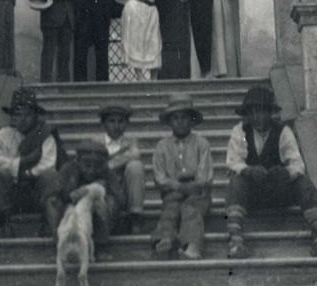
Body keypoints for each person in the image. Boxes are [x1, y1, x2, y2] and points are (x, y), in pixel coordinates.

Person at [225, 84, 317, 259]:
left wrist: (286, 173)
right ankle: (236, 241)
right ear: (247, 114)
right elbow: (233, 161)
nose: (258, 117)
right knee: (235, 181)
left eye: (262, 111)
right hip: (253, 195)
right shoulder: (240, 131)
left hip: (278, 192)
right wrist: (248, 170)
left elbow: (297, 164)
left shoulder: (283, 131)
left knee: (303, 182)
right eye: (253, 112)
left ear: (270, 112)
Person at [0, 87, 64, 237]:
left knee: (50, 176)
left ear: (36, 116)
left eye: (28, 115)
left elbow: (47, 164)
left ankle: (48, 224)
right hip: (13, 195)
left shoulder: (44, 134)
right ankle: (4, 225)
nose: (23, 119)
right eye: (18, 114)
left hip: (38, 193)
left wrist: (26, 173)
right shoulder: (4, 135)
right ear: (12, 116)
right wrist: (23, 162)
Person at [151, 94, 213, 261]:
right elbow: (159, 177)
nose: (179, 122)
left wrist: (194, 185)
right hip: (173, 191)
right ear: (170, 122)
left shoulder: (201, 143)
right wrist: (177, 186)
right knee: (170, 209)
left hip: (197, 192)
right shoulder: (162, 146)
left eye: (184, 118)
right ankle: (165, 239)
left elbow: (204, 174)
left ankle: (192, 246)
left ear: (191, 120)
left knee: (190, 209)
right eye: (175, 118)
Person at [50, 136, 124, 245]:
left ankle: (100, 244)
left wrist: (103, 190)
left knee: (109, 202)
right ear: (78, 160)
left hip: (96, 218)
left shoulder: (107, 173)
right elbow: (56, 193)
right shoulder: (68, 169)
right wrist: (75, 193)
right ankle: (59, 244)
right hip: (71, 214)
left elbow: (121, 199)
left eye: (97, 165)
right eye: (87, 164)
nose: (91, 170)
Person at [98, 102, 146, 233]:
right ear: (103, 124)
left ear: (127, 124)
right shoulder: (95, 142)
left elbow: (135, 154)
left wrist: (109, 164)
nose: (116, 126)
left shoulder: (131, 142)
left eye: (121, 122)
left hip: (124, 191)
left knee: (135, 166)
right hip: (104, 190)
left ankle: (135, 215)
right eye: (111, 121)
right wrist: (122, 158)